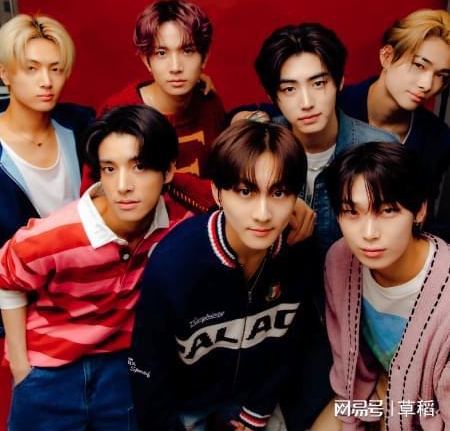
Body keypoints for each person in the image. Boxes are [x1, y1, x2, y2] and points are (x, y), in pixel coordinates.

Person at [0, 105, 190, 430]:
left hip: (121, 367)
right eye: (109, 169)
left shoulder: (178, 225)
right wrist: (21, 366)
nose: (123, 185)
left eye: (140, 166)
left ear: (169, 170)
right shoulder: (59, 234)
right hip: (49, 368)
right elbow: (6, 278)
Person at [252, 23, 398, 429]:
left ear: (340, 81)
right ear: (274, 96)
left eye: (318, 83)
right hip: (277, 321)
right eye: (289, 89)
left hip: (358, 325)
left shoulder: (378, 151)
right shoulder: (260, 152)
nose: (307, 102)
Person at [129, 120, 312, 431]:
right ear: (217, 192)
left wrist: (254, 415)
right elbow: (147, 371)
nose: (263, 214)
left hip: (255, 402)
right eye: (245, 191)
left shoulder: (299, 252)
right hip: (183, 407)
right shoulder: (175, 264)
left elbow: (289, 347)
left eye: (279, 192)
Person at [312, 142, 450, 430]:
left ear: (419, 210)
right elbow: (348, 372)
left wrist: (396, 409)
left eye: (387, 210)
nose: (369, 233)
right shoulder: (340, 260)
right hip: (371, 397)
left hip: (429, 411)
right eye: (352, 212)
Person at [0, 13, 94, 363]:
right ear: (4, 73)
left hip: (89, 314)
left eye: (56, 69)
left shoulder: (81, 126)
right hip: (20, 325)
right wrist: (19, 361)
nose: (46, 81)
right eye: (32, 69)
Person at [87, 0, 225, 213]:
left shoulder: (209, 103)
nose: (175, 67)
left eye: (187, 51)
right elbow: (92, 199)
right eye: (162, 53)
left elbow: (225, 183)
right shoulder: (117, 113)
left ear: (204, 57)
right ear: (146, 60)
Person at [339, 9, 450, 212]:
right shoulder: (333, 106)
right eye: (419, 65)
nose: (427, 85)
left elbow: (423, 217)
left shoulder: (438, 138)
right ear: (387, 56)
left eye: (441, 75)